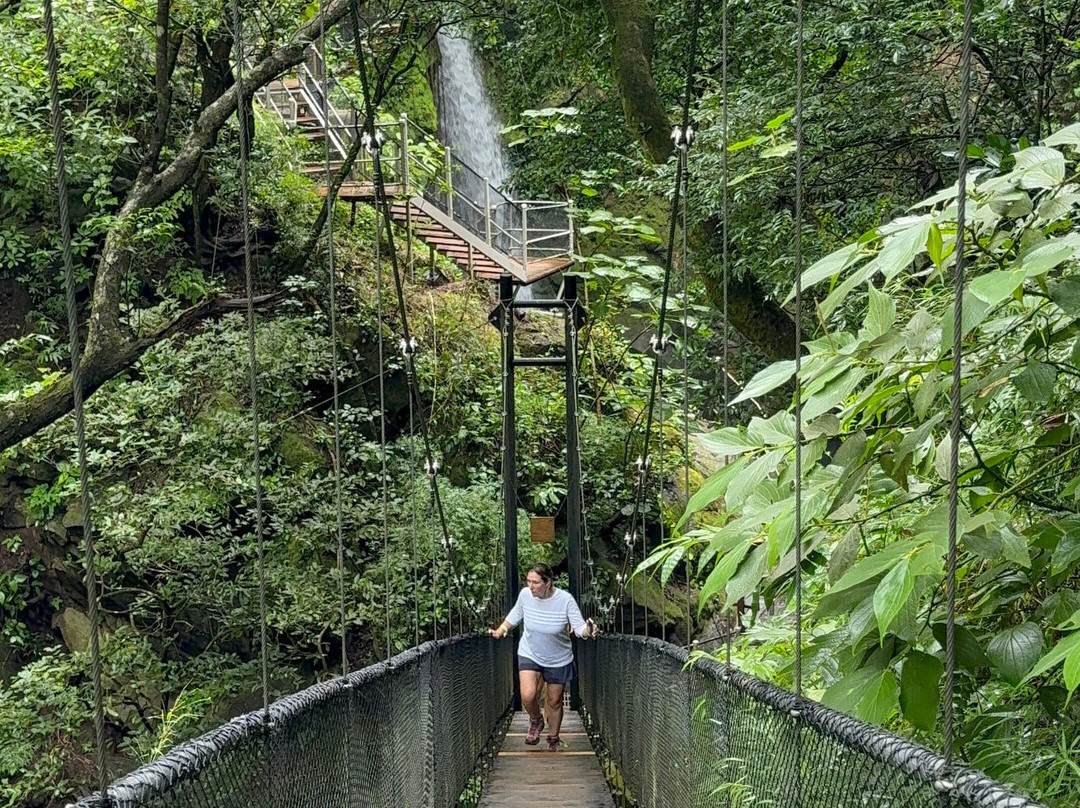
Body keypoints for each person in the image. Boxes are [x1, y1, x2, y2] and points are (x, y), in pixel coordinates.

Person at [490, 563, 599, 751]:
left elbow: (579, 628)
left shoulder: (565, 600)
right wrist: (502, 629)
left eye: (535, 582)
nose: (530, 586)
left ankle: (553, 738)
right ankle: (536, 720)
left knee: (554, 700)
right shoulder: (525, 595)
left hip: (558, 658)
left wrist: (589, 631)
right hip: (529, 651)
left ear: (548, 582)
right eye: (528, 581)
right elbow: (517, 612)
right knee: (528, 694)